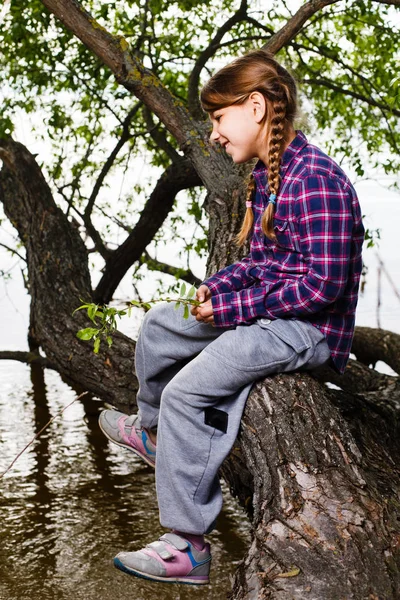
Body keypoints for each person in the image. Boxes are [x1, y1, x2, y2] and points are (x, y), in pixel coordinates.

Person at [98, 50, 364, 585]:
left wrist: (234, 310)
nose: (215, 134)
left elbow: (323, 287)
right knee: (159, 324)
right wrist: (213, 290)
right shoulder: (271, 176)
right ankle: (152, 435)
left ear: (258, 106)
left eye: (220, 118)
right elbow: (264, 262)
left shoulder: (318, 180)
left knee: (187, 393)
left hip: (309, 331)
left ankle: (187, 546)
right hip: (272, 308)